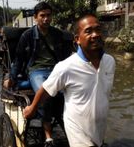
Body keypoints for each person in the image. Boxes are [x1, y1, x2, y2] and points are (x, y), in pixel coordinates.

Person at [23, 14, 116, 147]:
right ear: (77, 39)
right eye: (89, 31)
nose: (95, 35)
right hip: (78, 131)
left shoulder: (110, 61)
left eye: (98, 30)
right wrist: (32, 108)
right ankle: (48, 133)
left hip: (99, 130)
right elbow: (45, 90)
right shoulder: (66, 67)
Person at [3, 2, 72, 147]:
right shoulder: (27, 36)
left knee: (73, 92)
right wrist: (12, 77)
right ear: (35, 17)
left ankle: (73, 126)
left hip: (57, 69)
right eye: (42, 16)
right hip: (36, 71)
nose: (46, 19)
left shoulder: (58, 34)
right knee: (45, 93)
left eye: (48, 15)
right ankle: (48, 136)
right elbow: (19, 59)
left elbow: (67, 58)